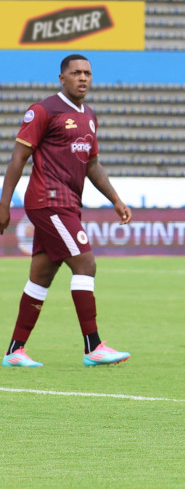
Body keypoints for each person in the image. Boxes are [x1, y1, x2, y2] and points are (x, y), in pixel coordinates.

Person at [0, 54, 132, 367]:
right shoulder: (43, 110)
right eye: (76, 73)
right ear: (63, 78)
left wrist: (115, 199)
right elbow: (18, 158)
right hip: (48, 200)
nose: (83, 78)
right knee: (85, 264)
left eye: (87, 73)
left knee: (41, 276)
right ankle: (93, 346)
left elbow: (93, 165)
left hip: (69, 203)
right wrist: (4, 204)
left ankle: (15, 351)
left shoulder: (89, 116)